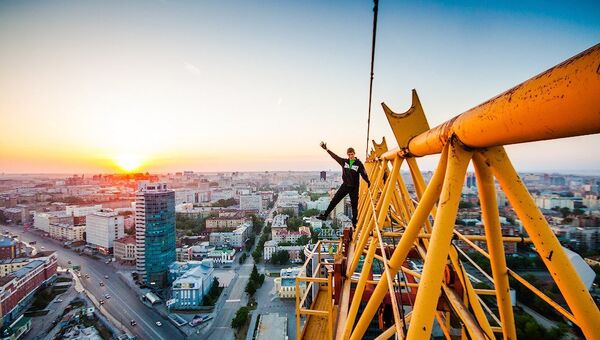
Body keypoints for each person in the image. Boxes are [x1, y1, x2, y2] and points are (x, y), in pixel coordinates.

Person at [317, 142, 370, 226]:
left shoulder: (358, 164)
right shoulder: (344, 162)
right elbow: (335, 157)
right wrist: (327, 149)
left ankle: (354, 222)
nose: (350, 156)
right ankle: (325, 215)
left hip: (354, 188)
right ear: (347, 155)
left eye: (352, 154)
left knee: (354, 206)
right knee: (334, 200)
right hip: (345, 185)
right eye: (349, 154)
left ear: (354, 154)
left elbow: (364, 174)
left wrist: (368, 182)